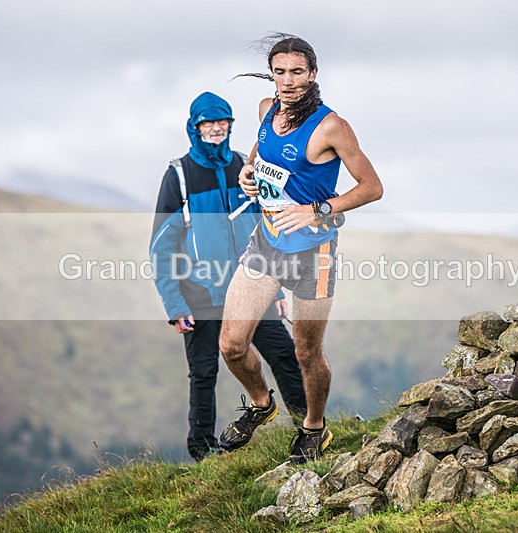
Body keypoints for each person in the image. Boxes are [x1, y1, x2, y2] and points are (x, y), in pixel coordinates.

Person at [217, 35, 383, 463]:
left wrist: (318, 209)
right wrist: (248, 173)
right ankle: (261, 404)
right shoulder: (266, 110)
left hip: (314, 253)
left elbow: (372, 188)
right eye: (280, 72)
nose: (288, 81)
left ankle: (314, 428)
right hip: (267, 241)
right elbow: (260, 153)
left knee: (306, 351)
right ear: (272, 75)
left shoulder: (332, 126)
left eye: (297, 72)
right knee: (232, 345)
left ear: (312, 74)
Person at [149, 91, 307, 462]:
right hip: (199, 293)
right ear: (195, 127)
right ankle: (203, 453)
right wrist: (175, 303)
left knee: (284, 355)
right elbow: (160, 246)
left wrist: (278, 287)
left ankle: (307, 426)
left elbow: (268, 229)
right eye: (209, 122)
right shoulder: (179, 175)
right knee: (203, 373)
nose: (217, 128)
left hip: (252, 287)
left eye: (223, 121)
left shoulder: (244, 167)